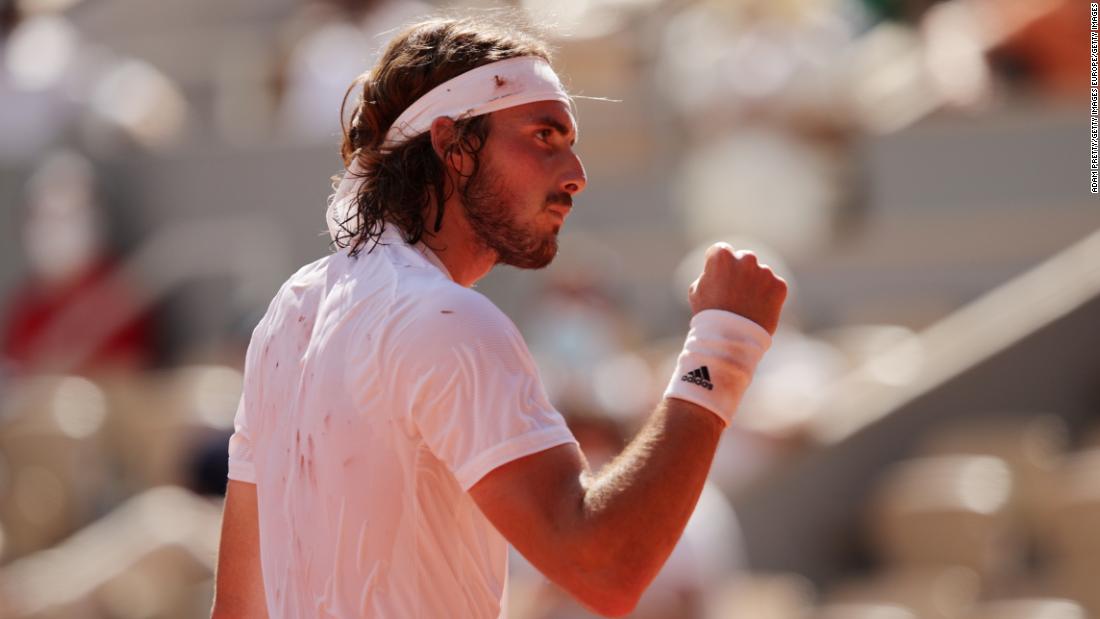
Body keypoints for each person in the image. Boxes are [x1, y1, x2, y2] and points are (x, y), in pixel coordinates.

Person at [212, 14, 787, 619]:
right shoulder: (444, 318)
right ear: (452, 146)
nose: (577, 176)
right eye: (544, 136)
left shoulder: (291, 310)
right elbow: (605, 568)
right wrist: (722, 346)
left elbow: (237, 609)